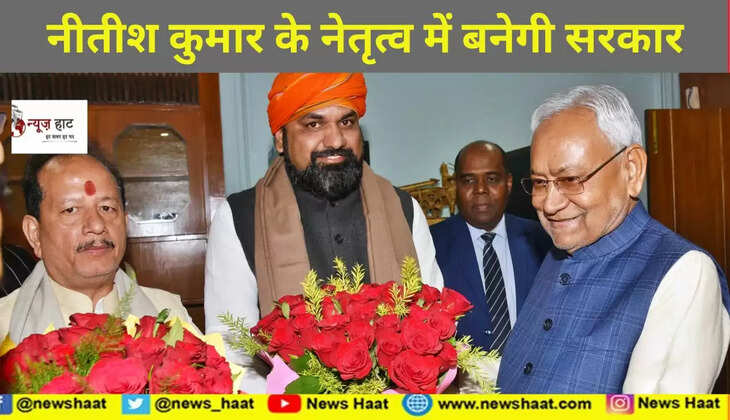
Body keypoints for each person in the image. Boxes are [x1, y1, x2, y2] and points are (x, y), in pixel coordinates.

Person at [205, 73, 444, 391]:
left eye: (347, 122)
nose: (335, 141)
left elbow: (434, 323)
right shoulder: (239, 216)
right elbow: (232, 352)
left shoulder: (403, 209)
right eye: (313, 124)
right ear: (280, 139)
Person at [497, 85, 730, 393]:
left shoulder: (685, 274)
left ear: (631, 170)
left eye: (571, 180)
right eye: (540, 182)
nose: (549, 204)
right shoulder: (560, 249)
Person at [0, 152, 193, 343]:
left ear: (125, 223)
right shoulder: (5, 328)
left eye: (107, 208)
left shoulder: (169, 315)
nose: (97, 225)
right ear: (34, 234)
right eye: (71, 210)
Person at [431, 141, 551, 352]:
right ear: (455, 186)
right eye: (469, 180)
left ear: (509, 183)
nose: (480, 189)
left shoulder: (543, 238)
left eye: (492, 179)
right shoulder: (432, 246)